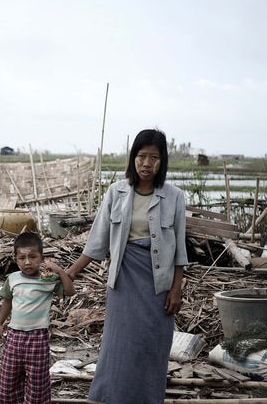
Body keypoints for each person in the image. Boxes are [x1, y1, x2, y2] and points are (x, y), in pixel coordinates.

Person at [66, 128, 188, 404]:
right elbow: (98, 241)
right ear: (133, 158)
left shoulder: (175, 197)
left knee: (151, 345)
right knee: (118, 345)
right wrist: (71, 272)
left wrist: (176, 289)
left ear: (162, 161)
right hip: (123, 279)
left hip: (159, 282)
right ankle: (109, 397)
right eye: (142, 156)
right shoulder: (116, 192)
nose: (147, 164)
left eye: (154, 158)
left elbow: (180, 249)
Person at [0, 232, 76, 404]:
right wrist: (0, 323)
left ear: (41, 257)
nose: (27, 262)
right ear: (16, 258)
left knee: (37, 382)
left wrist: (60, 271)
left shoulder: (48, 279)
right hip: (14, 336)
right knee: (8, 379)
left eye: (32, 257)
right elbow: (7, 301)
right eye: (22, 257)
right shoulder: (13, 279)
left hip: (38, 337)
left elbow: (70, 291)